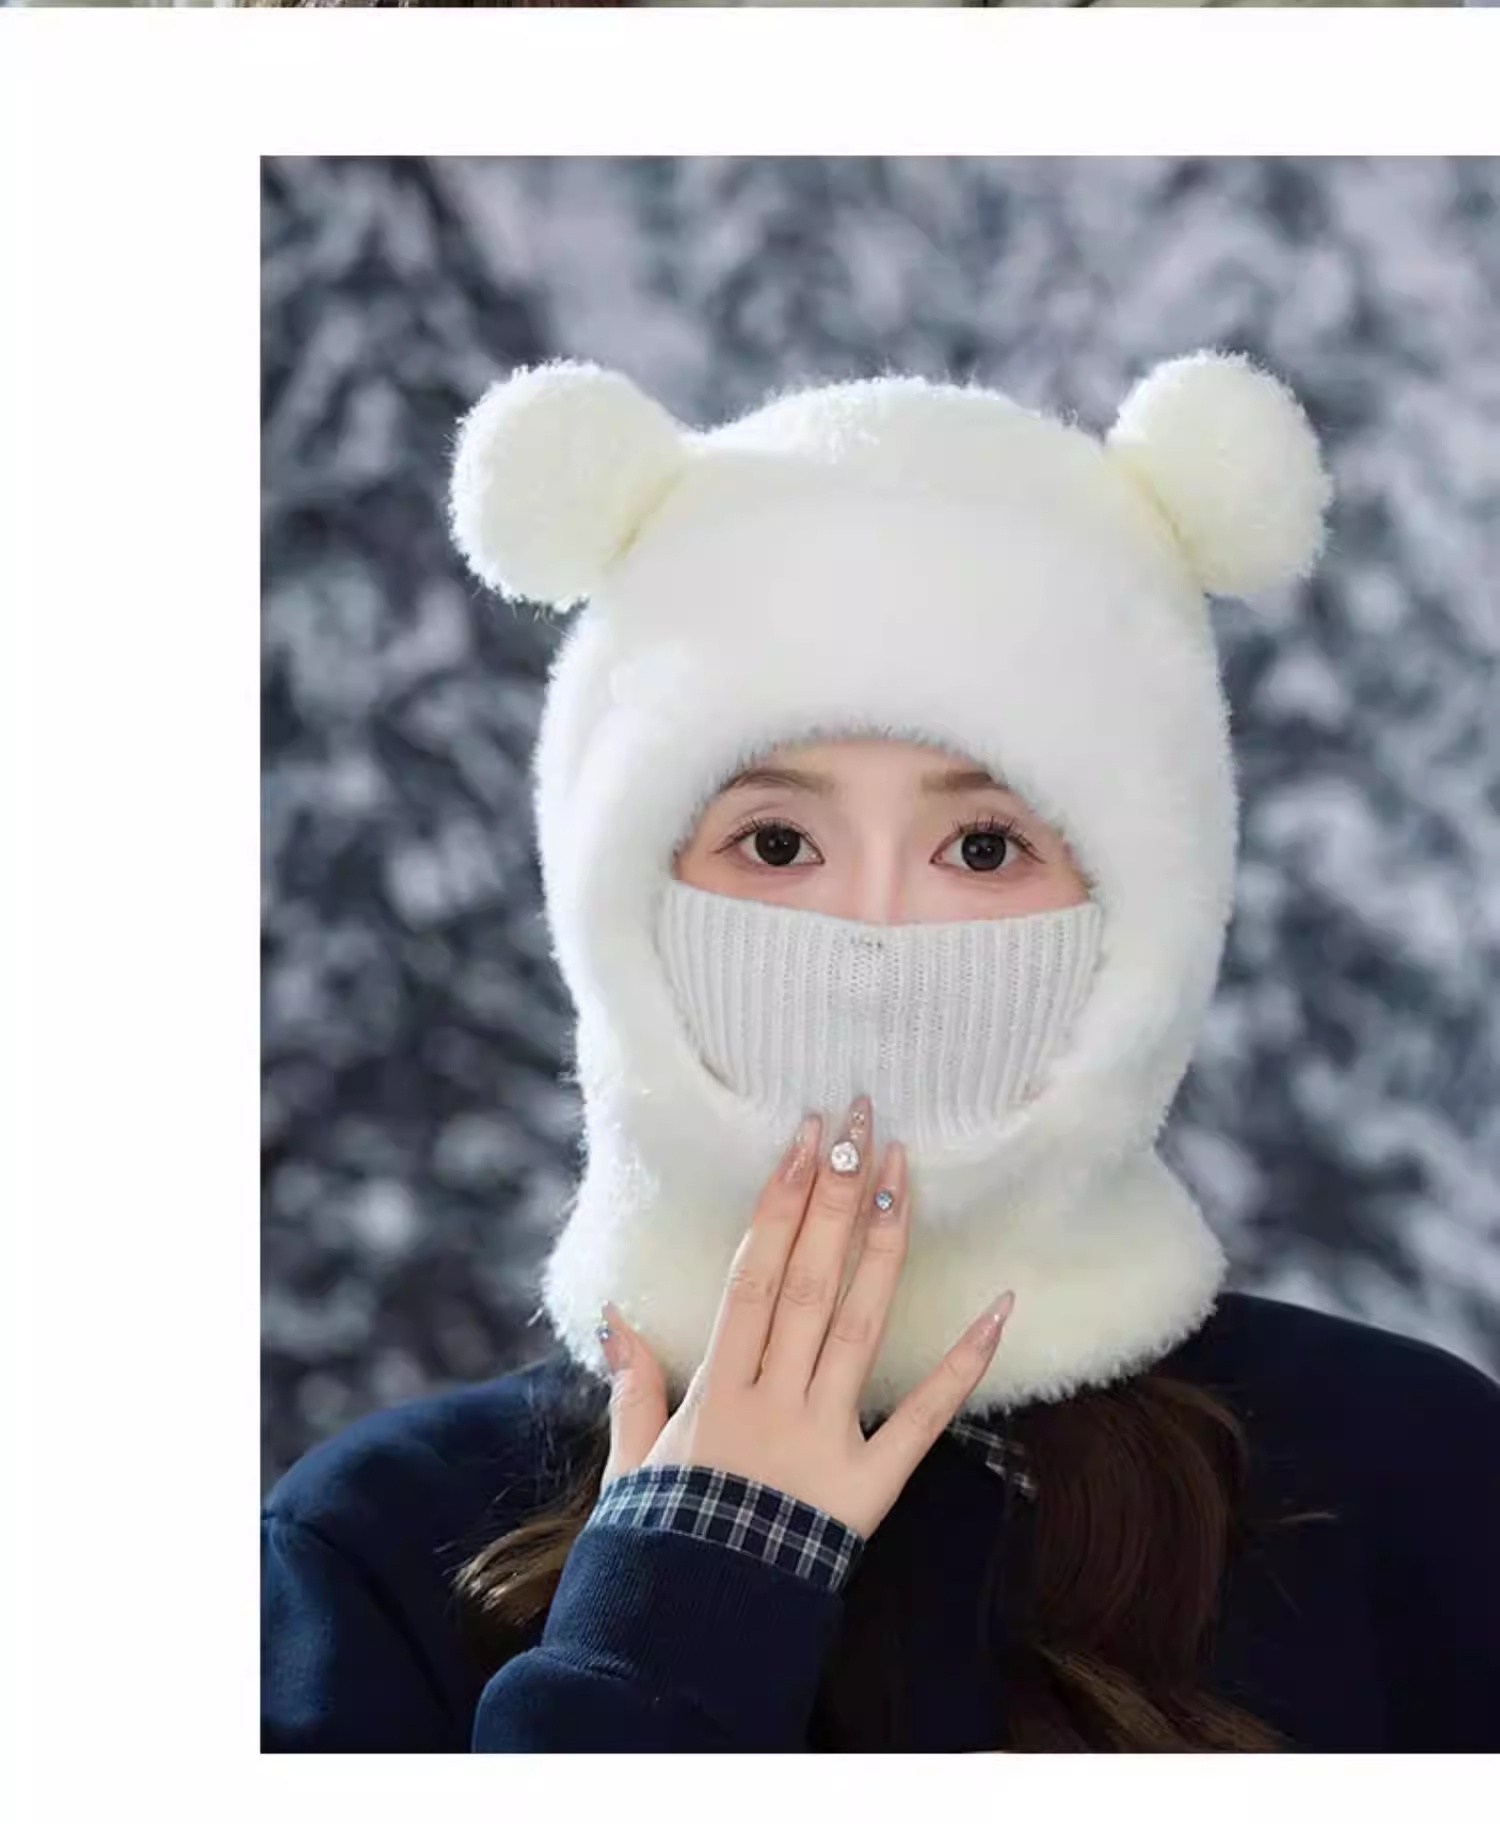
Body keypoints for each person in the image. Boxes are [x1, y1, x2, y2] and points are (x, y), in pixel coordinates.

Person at [262, 350, 1500, 1752]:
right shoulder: (378, 1550)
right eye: (774, 842)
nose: (871, 933)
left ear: (1147, 921)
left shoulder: (1406, 1488)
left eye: (984, 847)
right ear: (615, 901)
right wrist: (673, 1618)